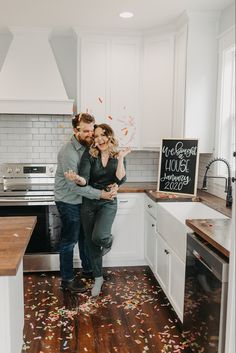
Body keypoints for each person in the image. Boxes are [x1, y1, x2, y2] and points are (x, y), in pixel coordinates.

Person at [65, 123, 131, 297]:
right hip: (90, 202)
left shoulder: (118, 154)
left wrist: (122, 159)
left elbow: (121, 179)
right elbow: (85, 180)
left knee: (99, 236)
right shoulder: (90, 154)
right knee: (91, 243)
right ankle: (98, 278)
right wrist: (77, 178)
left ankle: (108, 241)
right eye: (96, 136)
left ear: (109, 135)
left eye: (102, 135)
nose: (99, 139)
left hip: (108, 201)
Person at [54, 114, 116, 293]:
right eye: (86, 131)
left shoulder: (90, 147)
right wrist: (101, 194)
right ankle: (67, 280)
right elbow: (75, 187)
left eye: (92, 130)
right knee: (70, 239)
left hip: (84, 200)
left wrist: (113, 185)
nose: (91, 134)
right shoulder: (69, 152)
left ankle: (89, 269)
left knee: (85, 237)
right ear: (75, 131)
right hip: (68, 200)